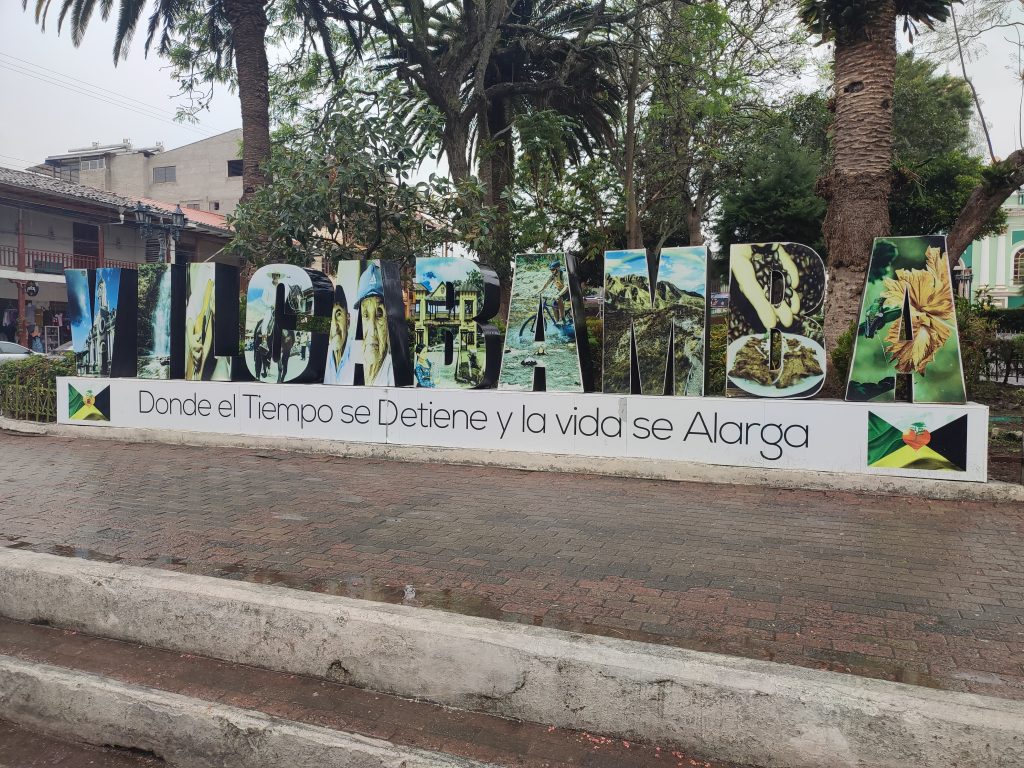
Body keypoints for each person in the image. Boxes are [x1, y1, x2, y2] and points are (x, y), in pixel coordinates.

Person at [355, 264, 393, 386]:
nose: (371, 330)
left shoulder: (392, 374)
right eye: (365, 315)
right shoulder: (354, 363)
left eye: (380, 314)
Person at [323, 293, 353, 385]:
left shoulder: (358, 352)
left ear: (348, 321)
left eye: (338, 314)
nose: (334, 326)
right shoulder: (323, 358)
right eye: (329, 318)